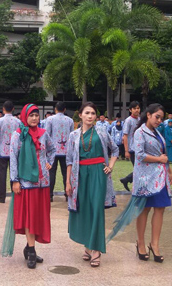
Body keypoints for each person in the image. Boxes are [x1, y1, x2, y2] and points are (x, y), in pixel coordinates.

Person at [107, 104, 171, 264]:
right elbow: (140, 155)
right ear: (148, 115)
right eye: (157, 116)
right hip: (145, 178)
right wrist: (160, 160)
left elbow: (162, 152)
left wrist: (168, 171)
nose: (159, 120)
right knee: (144, 209)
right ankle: (141, 243)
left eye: (161, 118)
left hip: (160, 176)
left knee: (160, 209)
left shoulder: (158, 132)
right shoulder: (140, 132)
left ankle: (154, 244)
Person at [1, 104, 55, 269]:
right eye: (31, 115)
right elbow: (13, 158)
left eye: (37, 115)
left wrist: (49, 163)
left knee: (38, 215)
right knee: (29, 216)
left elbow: (52, 150)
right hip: (26, 182)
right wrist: (15, 180)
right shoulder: (18, 135)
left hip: (43, 182)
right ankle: (31, 250)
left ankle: (28, 246)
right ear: (24, 116)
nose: (34, 118)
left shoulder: (44, 134)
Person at [66, 102, 118, 268]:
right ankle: (88, 246)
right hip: (79, 175)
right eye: (87, 113)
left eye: (93, 113)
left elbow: (115, 150)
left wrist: (110, 166)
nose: (90, 116)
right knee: (84, 210)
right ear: (80, 115)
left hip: (98, 174)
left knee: (96, 209)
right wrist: (68, 182)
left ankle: (96, 250)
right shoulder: (73, 135)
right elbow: (69, 160)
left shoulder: (102, 132)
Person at [45, 102, 74, 202]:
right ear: (65, 109)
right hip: (66, 150)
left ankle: (49, 195)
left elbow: (47, 135)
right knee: (66, 173)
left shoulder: (50, 119)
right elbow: (72, 136)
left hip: (52, 151)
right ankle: (67, 194)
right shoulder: (70, 120)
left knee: (51, 173)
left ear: (55, 109)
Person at [0, 101, 20, 203]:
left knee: (2, 174)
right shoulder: (18, 121)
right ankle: (14, 195)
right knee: (14, 174)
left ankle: (2, 197)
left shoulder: (0, 121)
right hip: (15, 151)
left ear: (3, 109)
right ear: (13, 109)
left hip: (2, 152)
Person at [120, 101, 141, 191]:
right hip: (132, 149)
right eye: (135, 108)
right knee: (139, 169)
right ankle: (129, 181)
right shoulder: (128, 121)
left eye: (138, 108)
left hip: (140, 148)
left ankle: (127, 180)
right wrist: (126, 150)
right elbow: (125, 136)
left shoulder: (140, 119)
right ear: (130, 110)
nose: (137, 110)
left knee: (140, 169)